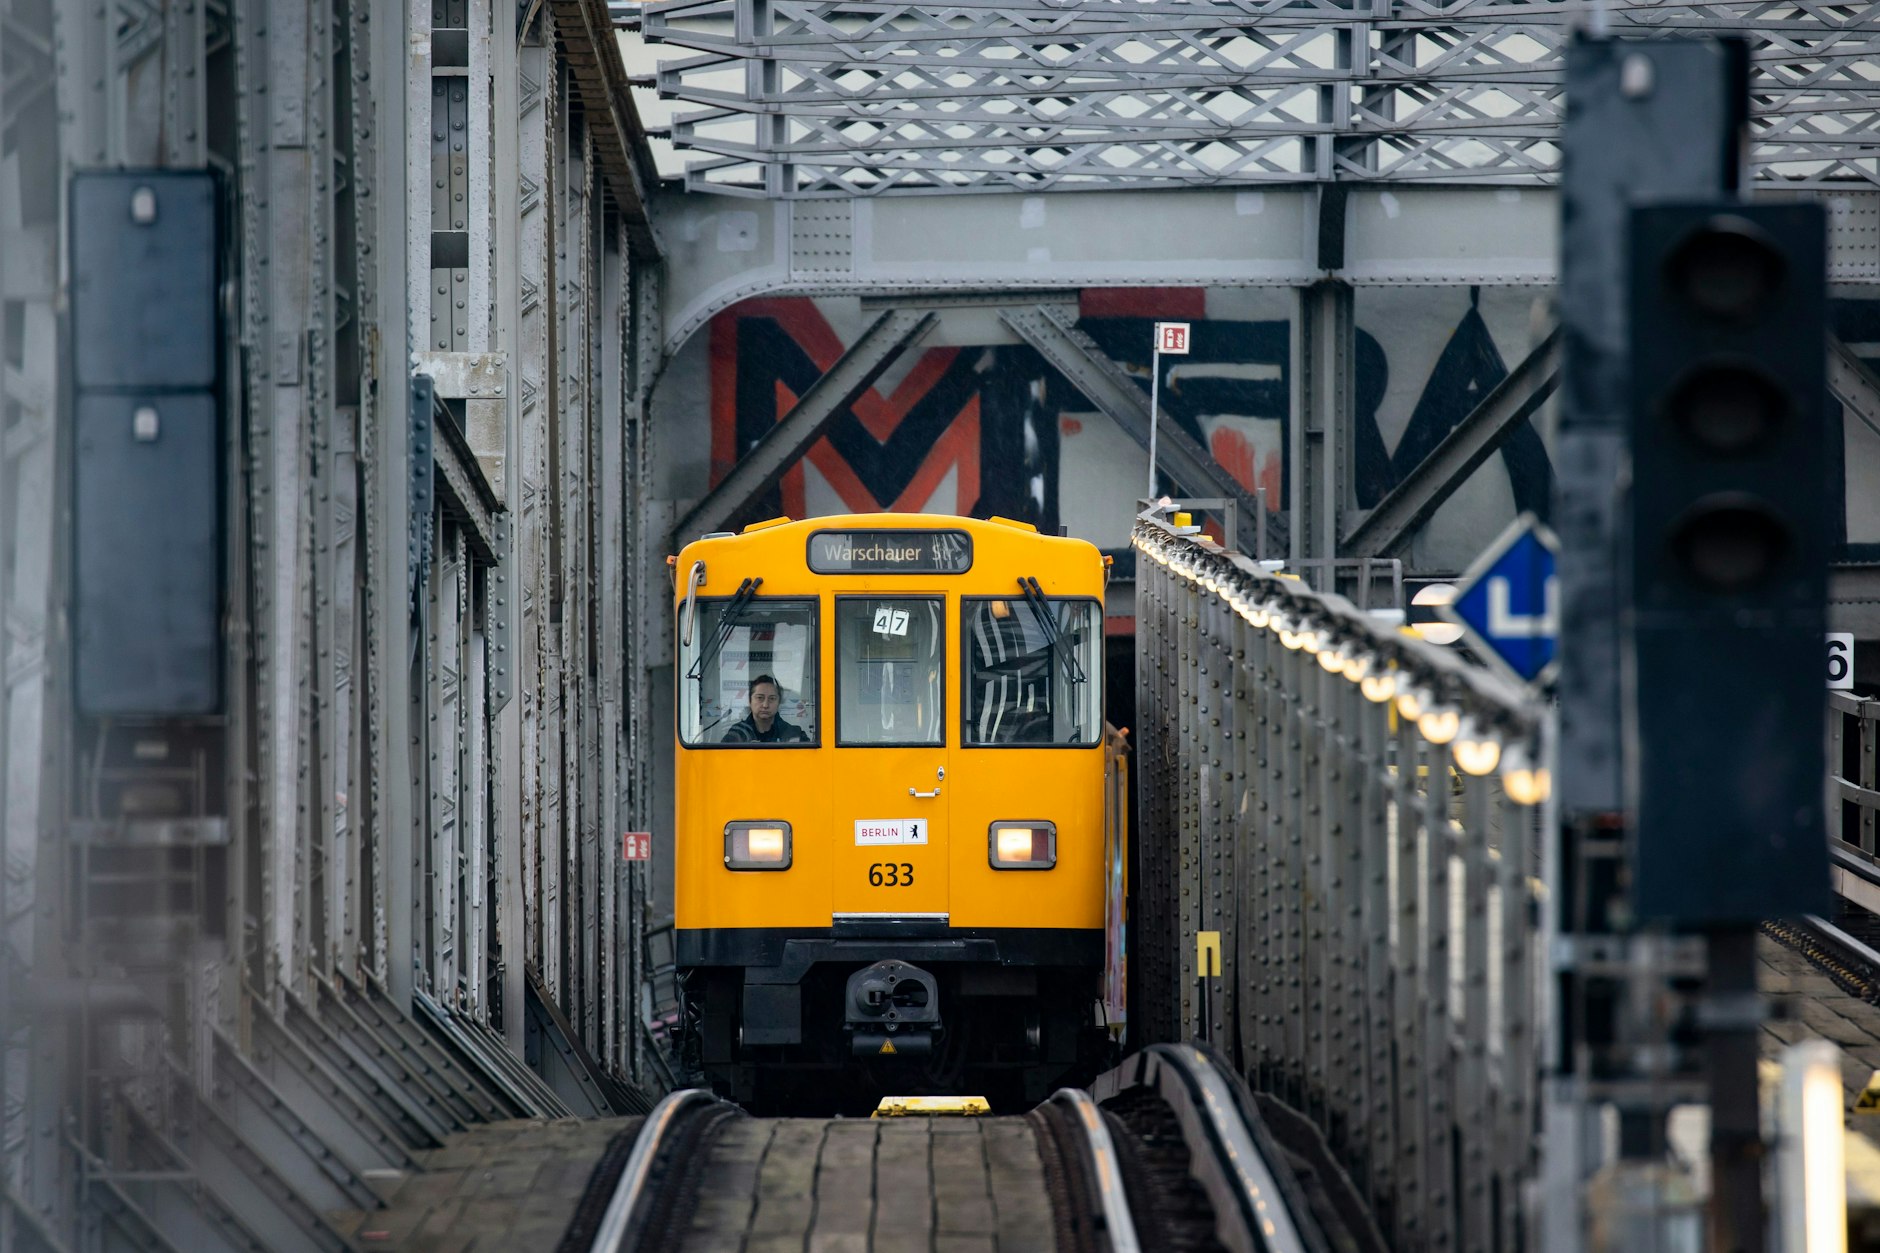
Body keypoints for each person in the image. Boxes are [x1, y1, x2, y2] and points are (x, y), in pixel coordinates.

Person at [721, 674, 809, 744]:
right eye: (760, 698)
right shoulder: (737, 734)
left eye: (772, 698)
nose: (765, 705)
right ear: (749, 701)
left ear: (779, 702)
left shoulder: (794, 734)